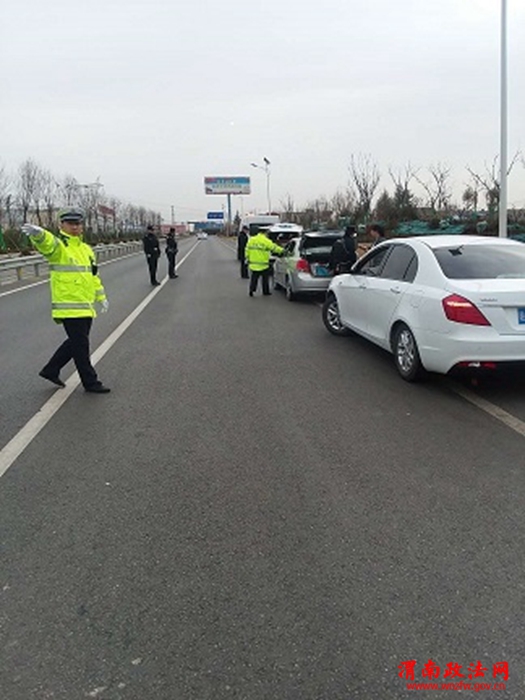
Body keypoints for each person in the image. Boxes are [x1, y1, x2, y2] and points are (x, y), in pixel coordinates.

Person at [21, 208, 111, 393]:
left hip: (86, 305)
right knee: (81, 346)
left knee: (76, 342)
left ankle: (51, 369)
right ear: (61, 225)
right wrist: (39, 235)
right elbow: (48, 244)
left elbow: (93, 276)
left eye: (77, 223)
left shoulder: (86, 250)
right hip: (69, 306)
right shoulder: (60, 247)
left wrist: (101, 297)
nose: (75, 227)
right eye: (70, 223)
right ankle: (90, 382)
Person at [245, 227, 284, 297]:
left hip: (253, 263)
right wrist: (283, 250)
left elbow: (247, 249)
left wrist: (247, 258)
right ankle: (265, 291)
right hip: (263, 263)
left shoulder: (252, 240)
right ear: (265, 233)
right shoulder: (266, 240)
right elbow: (274, 248)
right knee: (265, 279)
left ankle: (251, 290)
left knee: (254, 278)